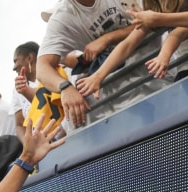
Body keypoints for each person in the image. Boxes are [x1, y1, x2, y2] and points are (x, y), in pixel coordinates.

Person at [37, 0, 138, 128]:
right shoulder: (63, 16)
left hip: (155, 67)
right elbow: (41, 68)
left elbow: (151, 18)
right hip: (122, 92)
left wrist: (107, 38)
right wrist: (65, 87)